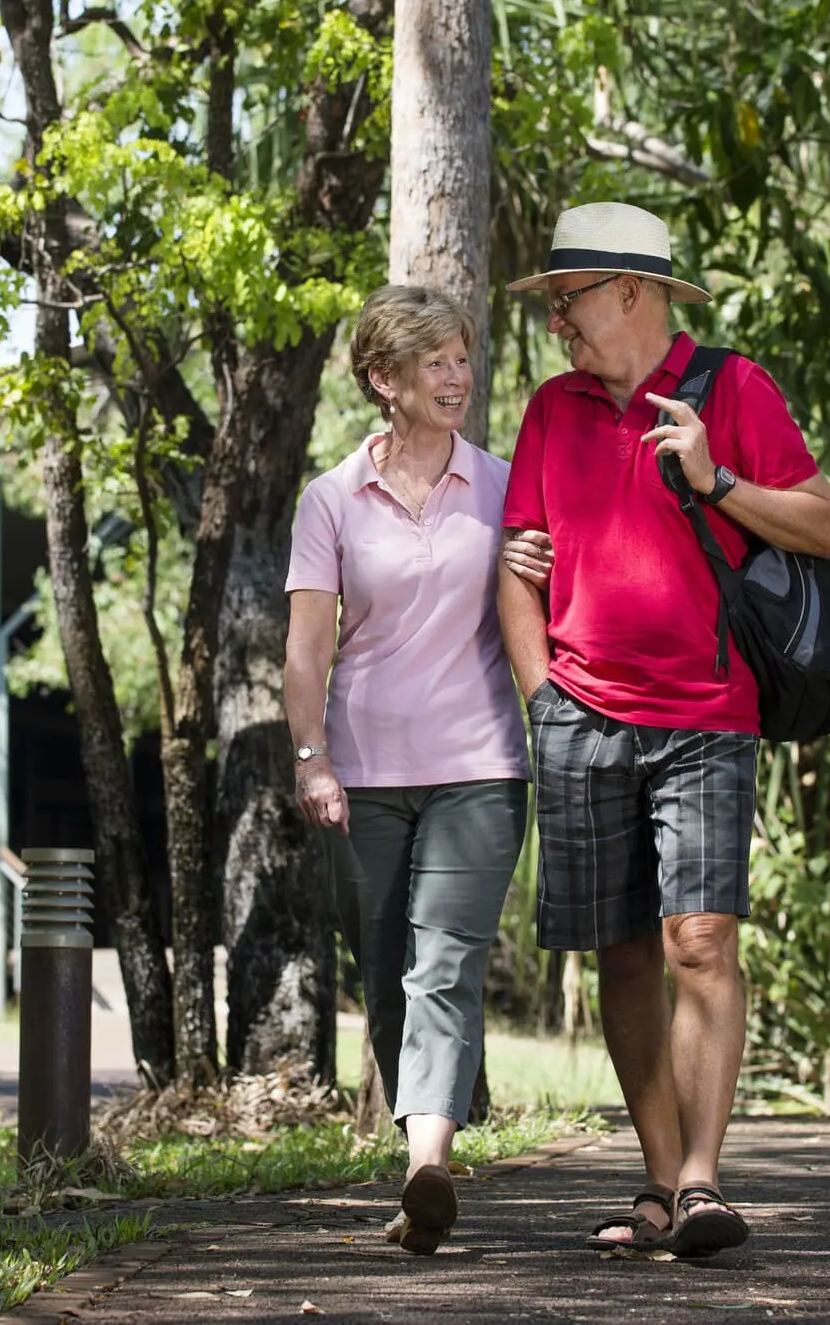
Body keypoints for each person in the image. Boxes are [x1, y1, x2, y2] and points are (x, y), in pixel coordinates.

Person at [495, 202, 830, 1260]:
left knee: (700, 939)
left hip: (705, 715)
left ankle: (701, 1180)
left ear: (632, 292)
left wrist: (715, 477)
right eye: (553, 302)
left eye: (571, 298)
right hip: (581, 717)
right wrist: (541, 693)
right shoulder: (552, 410)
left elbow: (824, 522)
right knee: (624, 952)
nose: (558, 320)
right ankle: (654, 1178)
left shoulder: (731, 389)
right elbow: (517, 562)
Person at [283, 284, 530, 1257]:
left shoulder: (506, 485)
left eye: (463, 358)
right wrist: (312, 758)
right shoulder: (332, 497)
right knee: (384, 968)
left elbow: (541, 603)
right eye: (435, 362)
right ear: (383, 379)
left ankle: (428, 1163)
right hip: (364, 769)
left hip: (479, 764)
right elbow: (307, 648)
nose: (457, 377)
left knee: (445, 960)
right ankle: (419, 1152)